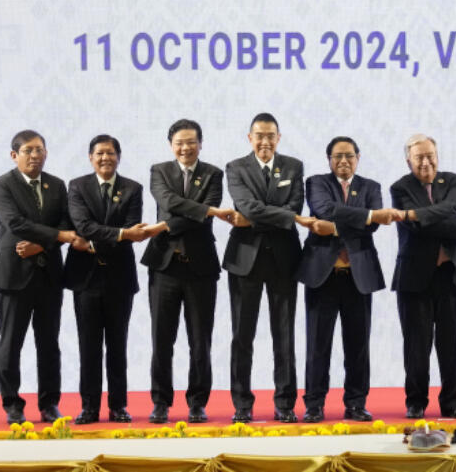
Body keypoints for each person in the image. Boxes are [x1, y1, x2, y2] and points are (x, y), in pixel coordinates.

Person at [298, 136, 402, 422]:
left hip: (359, 276)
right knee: (318, 344)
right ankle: (314, 404)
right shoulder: (317, 183)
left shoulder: (371, 187)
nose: (343, 161)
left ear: (358, 158)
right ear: (329, 159)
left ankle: (356, 403)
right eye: (337, 156)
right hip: (323, 275)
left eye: (349, 156)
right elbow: (324, 210)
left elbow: (374, 228)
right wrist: (368, 215)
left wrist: (334, 228)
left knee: (358, 345)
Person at [141, 118, 236, 424]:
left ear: (200, 143)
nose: (185, 148)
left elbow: (197, 218)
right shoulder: (159, 171)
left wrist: (167, 223)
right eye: (179, 142)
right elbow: (167, 201)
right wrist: (207, 210)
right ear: (171, 145)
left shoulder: (213, 174)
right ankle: (161, 402)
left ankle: (197, 403)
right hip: (164, 266)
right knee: (161, 339)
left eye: (191, 142)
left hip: (200, 269)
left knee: (200, 340)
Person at [0, 130, 87, 424]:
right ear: (14, 155)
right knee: (11, 343)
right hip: (14, 275)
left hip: (49, 276)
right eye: (29, 150)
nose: (35, 156)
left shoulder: (56, 185)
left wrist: (43, 243)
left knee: (49, 343)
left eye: (40, 150)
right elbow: (14, 222)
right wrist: (57, 236)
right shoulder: (2, 185)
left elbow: (67, 223)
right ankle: (13, 405)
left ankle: (49, 404)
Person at [390, 134, 456, 420]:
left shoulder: (453, 181)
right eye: (419, 156)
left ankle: (452, 401)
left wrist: (417, 214)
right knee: (416, 344)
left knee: (452, 342)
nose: (426, 161)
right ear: (408, 159)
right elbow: (420, 229)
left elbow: (448, 211)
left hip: (451, 274)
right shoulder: (400, 187)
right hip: (414, 277)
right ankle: (416, 401)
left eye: (430, 155)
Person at [222, 112, 313, 424]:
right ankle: (242, 406)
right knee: (241, 335)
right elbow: (245, 205)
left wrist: (264, 216)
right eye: (259, 136)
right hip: (244, 260)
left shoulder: (293, 166)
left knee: (284, 335)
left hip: (284, 260)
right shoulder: (235, 167)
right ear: (250, 138)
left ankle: (285, 404)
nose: (265, 141)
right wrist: (284, 217)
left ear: (278, 138)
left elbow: (295, 207)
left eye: (270, 136)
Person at [64, 134, 149, 424]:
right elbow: (83, 225)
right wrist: (121, 234)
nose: (105, 158)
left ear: (119, 157)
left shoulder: (133, 189)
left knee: (117, 344)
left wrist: (102, 238)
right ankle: (89, 407)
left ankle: (118, 406)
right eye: (99, 153)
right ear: (91, 157)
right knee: (88, 345)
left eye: (110, 153)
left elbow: (133, 228)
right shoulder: (77, 186)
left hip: (119, 278)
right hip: (85, 279)